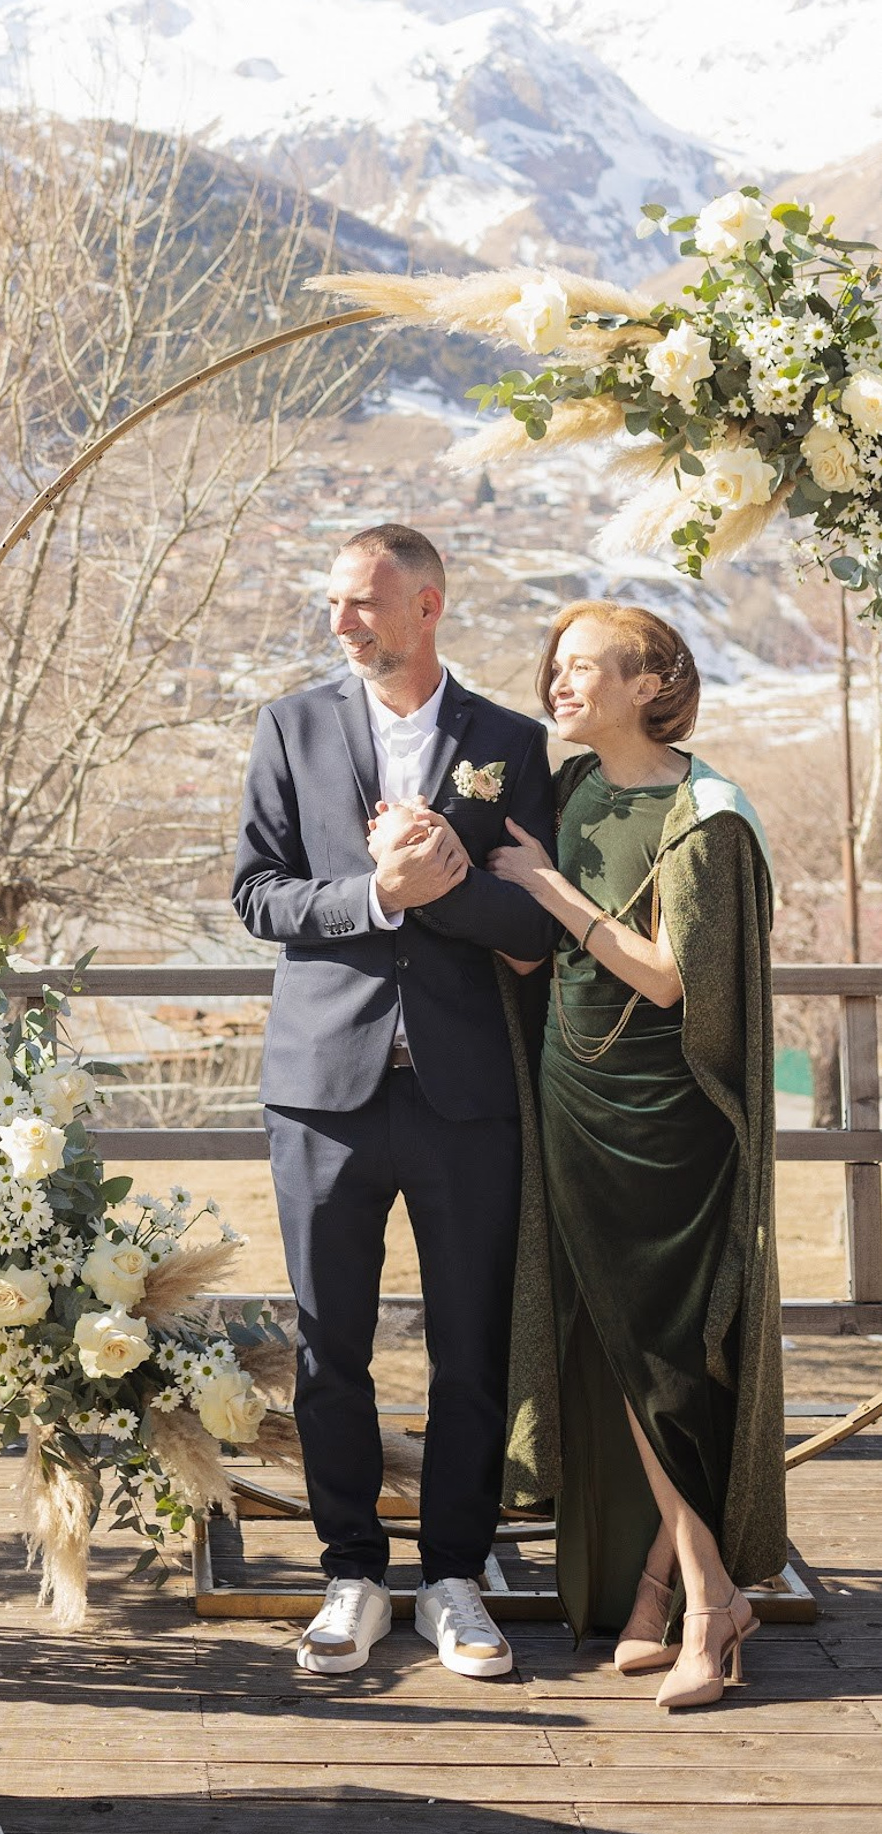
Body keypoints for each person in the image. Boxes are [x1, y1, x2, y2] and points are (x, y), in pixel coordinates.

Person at [232, 523, 556, 1681]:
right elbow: (259, 898)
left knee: (472, 1345)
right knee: (332, 1349)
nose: (342, 622)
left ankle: (456, 1578)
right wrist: (377, 894)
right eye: (333, 604)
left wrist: (449, 887)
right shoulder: (293, 725)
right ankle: (352, 1574)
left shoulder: (515, 745)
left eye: (364, 601)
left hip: (468, 1096)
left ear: (428, 605)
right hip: (323, 1090)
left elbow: (538, 928)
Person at [488, 602, 786, 1710]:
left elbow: (669, 979)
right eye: (554, 667)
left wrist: (544, 888)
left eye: (581, 669)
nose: (557, 685)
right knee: (616, 1349)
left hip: (671, 1120)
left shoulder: (705, 815)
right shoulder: (567, 794)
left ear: (648, 683)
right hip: (576, 1097)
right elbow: (533, 956)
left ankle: (710, 1602)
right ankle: (667, 1581)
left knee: (669, 1355)